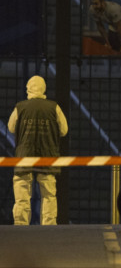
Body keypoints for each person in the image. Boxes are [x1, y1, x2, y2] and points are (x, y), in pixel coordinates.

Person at [8, 76, 68, 225]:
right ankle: (49, 225)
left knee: (22, 194)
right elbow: (64, 130)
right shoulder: (54, 107)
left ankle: (20, 224)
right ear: (43, 88)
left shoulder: (20, 107)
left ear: (28, 88)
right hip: (47, 153)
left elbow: (11, 128)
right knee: (48, 194)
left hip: (24, 155)